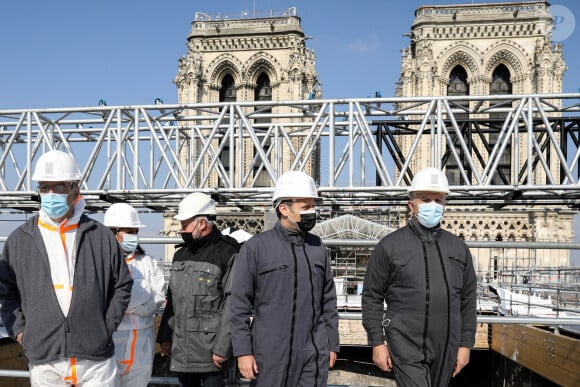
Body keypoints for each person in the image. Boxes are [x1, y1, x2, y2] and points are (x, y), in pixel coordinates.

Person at [0, 150, 133, 386]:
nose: (51, 194)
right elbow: (6, 292)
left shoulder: (100, 236)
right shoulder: (20, 240)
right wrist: (21, 332)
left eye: (59, 187)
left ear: (75, 190)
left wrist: (105, 327)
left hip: (95, 358)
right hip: (45, 357)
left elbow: (121, 284)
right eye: (44, 187)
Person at [361, 167, 477, 387]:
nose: (433, 205)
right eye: (425, 199)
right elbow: (372, 296)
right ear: (411, 205)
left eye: (438, 200)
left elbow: (468, 301)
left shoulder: (458, 248)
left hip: (446, 344)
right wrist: (377, 342)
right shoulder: (389, 246)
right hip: (405, 342)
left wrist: (465, 345)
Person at [230, 170, 340, 387]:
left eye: (313, 206)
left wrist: (331, 344)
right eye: (306, 207)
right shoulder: (257, 247)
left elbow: (328, 300)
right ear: (284, 209)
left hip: (313, 353)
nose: (313, 212)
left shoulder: (317, 247)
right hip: (270, 355)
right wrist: (243, 351)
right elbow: (239, 304)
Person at [157, 192, 240, 387]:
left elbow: (233, 305)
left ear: (201, 223)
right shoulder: (180, 255)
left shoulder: (228, 253)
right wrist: (165, 336)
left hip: (212, 356)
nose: (181, 230)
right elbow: (173, 301)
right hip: (183, 353)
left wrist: (222, 348)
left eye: (185, 225)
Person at [103, 203, 166, 386]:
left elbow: (158, 297)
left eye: (135, 231)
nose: (133, 236)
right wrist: (141, 296)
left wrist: (125, 304)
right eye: (128, 231)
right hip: (112, 337)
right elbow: (102, 299)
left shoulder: (147, 262)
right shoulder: (101, 263)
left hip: (142, 338)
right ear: (112, 232)